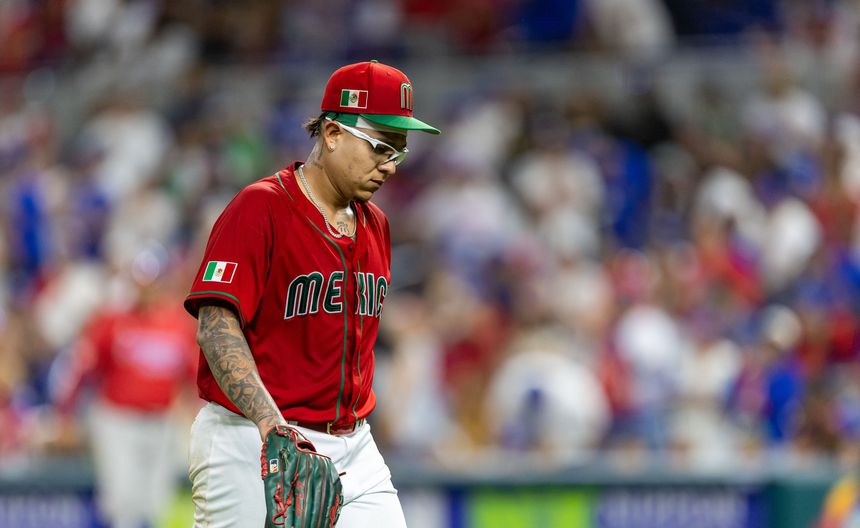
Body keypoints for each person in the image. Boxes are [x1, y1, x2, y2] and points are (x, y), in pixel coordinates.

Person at [184, 60, 440, 527]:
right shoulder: (261, 207)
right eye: (380, 146)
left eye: (398, 153)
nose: (388, 166)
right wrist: (269, 423)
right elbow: (216, 327)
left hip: (354, 445)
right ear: (333, 132)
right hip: (252, 438)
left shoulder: (376, 224)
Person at [52, 250, 199, 528]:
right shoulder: (113, 322)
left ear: (161, 282)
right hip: (117, 420)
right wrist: (65, 413)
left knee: (157, 504)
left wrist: (195, 414)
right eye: (141, 280)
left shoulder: (178, 325)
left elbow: (193, 379)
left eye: (151, 280)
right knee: (122, 504)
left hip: (161, 422)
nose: (146, 287)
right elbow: (82, 368)